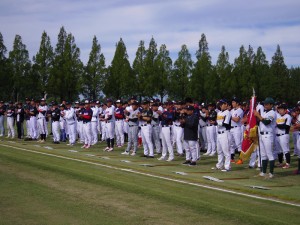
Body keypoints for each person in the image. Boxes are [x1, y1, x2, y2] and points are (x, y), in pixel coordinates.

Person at [254, 97, 277, 178]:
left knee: (269, 154)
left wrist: (258, 115)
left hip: (268, 135)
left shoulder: (272, 113)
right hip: (262, 135)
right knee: (263, 155)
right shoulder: (264, 112)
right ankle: (263, 172)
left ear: (271, 105)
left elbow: (267, 122)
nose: (265, 105)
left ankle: (271, 173)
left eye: (267, 104)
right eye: (264, 104)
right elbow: (259, 121)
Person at [214, 99, 232, 172]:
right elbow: (218, 122)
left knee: (226, 151)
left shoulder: (228, 112)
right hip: (219, 133)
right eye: (221, 104)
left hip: (225, 132)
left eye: (224, 104)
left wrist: (217, 123)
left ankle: (227, 166)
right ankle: (219, 165)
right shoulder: (219, 113)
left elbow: (226, 123)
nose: (223, 105)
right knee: (219, 150)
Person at [275, 103, 292, 168]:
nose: (280, 110)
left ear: (285, 110)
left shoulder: (287, 116)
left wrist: (277, 125)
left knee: (285, 150)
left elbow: (286, 126)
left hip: (284, 135)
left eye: (281, 109)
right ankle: (280, 162)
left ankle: (288, 164)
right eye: (279, 109)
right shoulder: (277, 116)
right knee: (279, 150)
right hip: (277, 135)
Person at [230, 97, 244, 163]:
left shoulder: (240, 110)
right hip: (231, 128)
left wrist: (229, 116)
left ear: (237, 103)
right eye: (232, 102)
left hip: (237, 128)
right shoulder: (232, 110)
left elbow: (237, 119)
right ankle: (232, 158)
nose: (232, 103)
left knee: (238, 144)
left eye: (234, 102)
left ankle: (241, 159)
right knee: (231, 144)